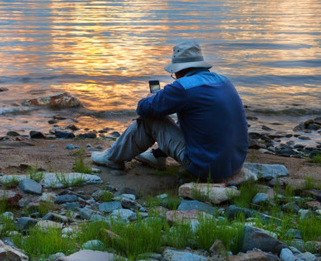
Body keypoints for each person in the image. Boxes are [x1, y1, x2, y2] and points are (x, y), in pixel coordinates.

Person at [91, 40, 248, 181]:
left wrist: (151, 97)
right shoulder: (224, 80)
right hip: (234, 163)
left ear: (179, 70)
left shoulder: (182, 87)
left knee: (151, 119)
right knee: (193, 118)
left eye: (174, 74)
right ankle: (157, 155)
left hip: (206, 168)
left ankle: (112, 158)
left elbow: (143, 109)